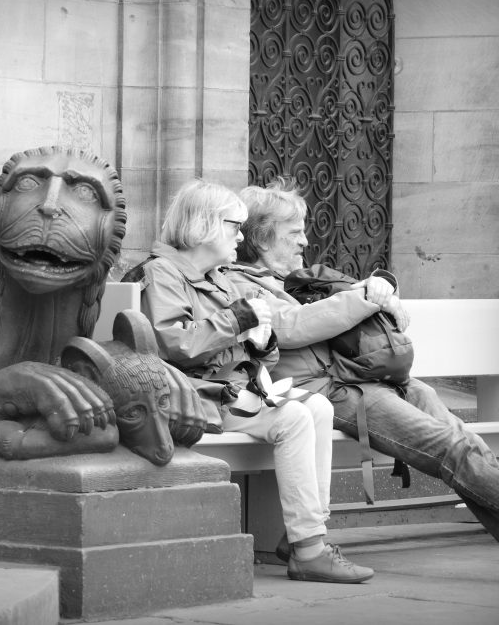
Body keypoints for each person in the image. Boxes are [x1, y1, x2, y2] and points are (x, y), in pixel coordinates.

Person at [227, 178, 499, 585]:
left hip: (365, 379)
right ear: (261, 239)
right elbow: (291, 327)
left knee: (462, 439)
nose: (305, 241)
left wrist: (385, 296)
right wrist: (369, 293)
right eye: (294, 232)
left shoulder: (293, 277)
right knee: (450, 448)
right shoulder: (240, 283)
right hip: (330, 392)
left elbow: (352, 305)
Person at [124, 179, 374, 584]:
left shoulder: (216, 275)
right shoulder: (162, 273)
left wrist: (261, 341)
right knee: (293, 418)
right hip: (192, 397)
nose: (241, 236)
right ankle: (309, 549)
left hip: (231, 392)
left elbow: (244, 348)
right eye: (234, 226)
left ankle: (304, 538)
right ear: (204, 224)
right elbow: (174, 344)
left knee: (318, 406)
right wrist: (239, 321)